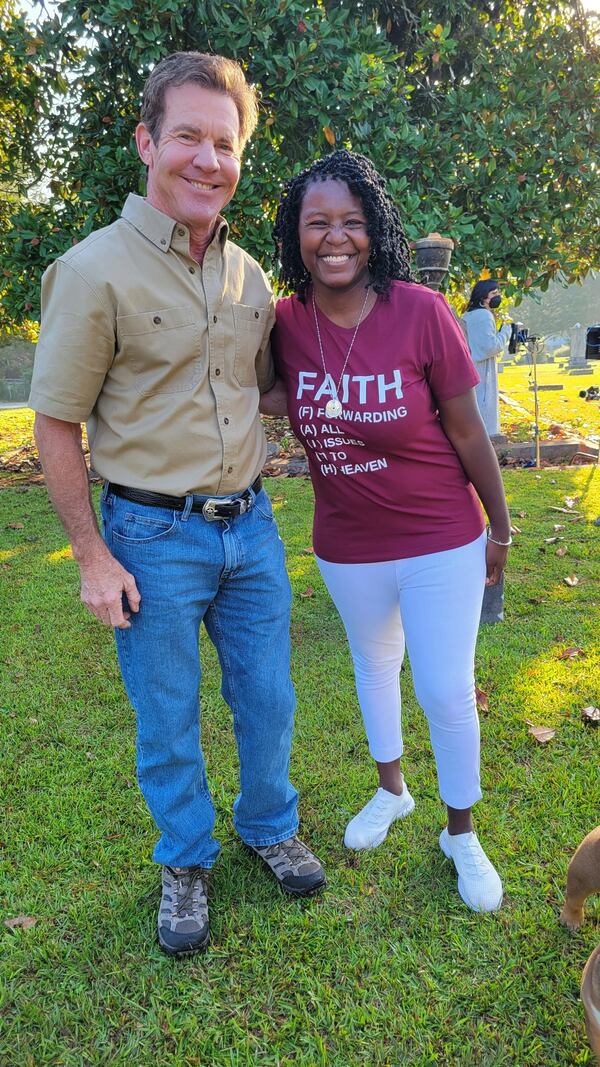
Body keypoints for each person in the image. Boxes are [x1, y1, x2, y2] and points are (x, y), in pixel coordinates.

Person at [29, 51, 325, 958]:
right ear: (147, 142)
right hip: (150, 535)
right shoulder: (91, 271)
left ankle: (267, 822)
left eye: (225, 142)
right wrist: (92, 556)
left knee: (269, 699)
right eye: (188, 136)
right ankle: (186, 857)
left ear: (241, 157)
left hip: (254, 528)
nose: (207, 158)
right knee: (167, 712)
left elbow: (264, 390)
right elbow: (55, 424)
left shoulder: (248, 281)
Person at [263, 150, 511, 913]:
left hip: (442, 535)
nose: (336, 238)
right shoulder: (285, 319)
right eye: (318, 223)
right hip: (346, 542)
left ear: (375, 232)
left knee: (443, 687)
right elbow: (269, 394)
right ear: (295, 235)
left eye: (352, 222)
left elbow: (469, 432)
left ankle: (460, 831)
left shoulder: (420, 312)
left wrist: (499, 526)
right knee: (374, 667)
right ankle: (392, 790)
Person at [461, 280, 512, 436]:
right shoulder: (484, 315)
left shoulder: (468, 315)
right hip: (482, 369)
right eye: (493, 293)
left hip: (471, 367)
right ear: (484, 296)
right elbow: (490, 347)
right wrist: (506, 332)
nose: (498, 296)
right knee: (484, 405)